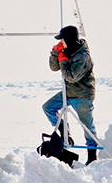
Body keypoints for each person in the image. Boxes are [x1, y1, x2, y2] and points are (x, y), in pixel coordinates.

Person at [42, 25, 98, 165]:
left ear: (69, 39)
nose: (61, 42)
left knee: (87, 126)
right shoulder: (67, 51)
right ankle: (64, 131)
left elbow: (71, 77)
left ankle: (92, 156)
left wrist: (63, 60)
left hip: (82, 96)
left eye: (62, 40)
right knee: (48, 107)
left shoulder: (83, 56)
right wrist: (56, 53)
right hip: (68, 93)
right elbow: (54, 68)